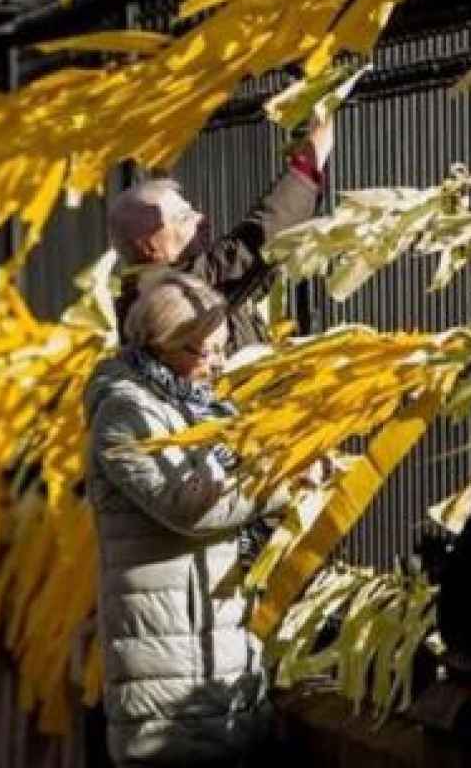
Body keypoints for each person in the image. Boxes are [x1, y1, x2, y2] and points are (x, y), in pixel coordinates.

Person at [85, 270, 321, 767]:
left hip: (215, 644)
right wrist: (281, 482)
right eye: (203, 351)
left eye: (221, 348)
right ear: (161, 344)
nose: (216, 365)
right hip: (166, 659)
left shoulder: (204, 407)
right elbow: (188, 507)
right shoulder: (124, 413)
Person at [107, 111, 335, 355]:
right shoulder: (172, 293)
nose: (202, 219)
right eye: (184, 218)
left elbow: (254, 271)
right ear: (150, 246)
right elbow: (254, 245)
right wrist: (309, 163)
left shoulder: (142, 294)